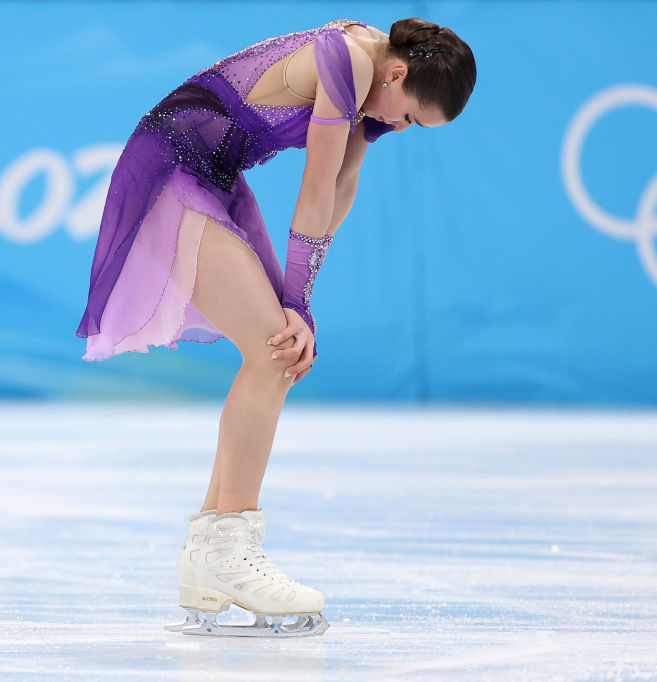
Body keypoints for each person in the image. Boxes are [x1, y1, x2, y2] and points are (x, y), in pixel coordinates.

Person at [74, 17, 476, 637]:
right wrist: (296, 305)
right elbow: (314, 187)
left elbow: (343, 182)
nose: (401, 127)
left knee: (275, 353)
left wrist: (301, 304)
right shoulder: (353, 60)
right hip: (171, 166)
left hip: (210, 177)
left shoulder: (381, 86)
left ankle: (209, 554)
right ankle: (229, 549)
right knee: (273, 353)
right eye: (412, 118)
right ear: (399, 73)